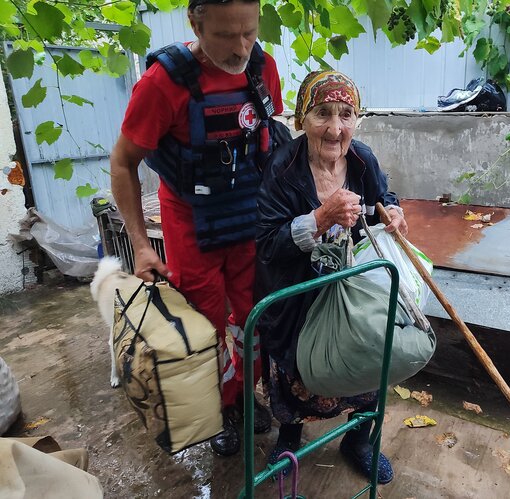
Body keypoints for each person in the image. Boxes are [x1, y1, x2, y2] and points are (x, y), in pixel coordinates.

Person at [109, 0, 282, 457]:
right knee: (203, 323)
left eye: (249, 32)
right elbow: (123, 162)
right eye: (226, 35)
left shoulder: (263, 68)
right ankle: (217, 407)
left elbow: (271, 140)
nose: (240, 47)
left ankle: (244, 395)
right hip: (192, 221)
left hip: (250, 215)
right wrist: (142, 246)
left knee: (254, 316)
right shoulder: (163, 83)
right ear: (195, 22)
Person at [255, 70, 408, 484]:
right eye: (322, 113)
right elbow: (268, 243)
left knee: (371, 355)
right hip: (297, 298)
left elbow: (384, 198)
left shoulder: (362, 159)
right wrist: (319, 220)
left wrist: (392, 212)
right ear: (301, 119)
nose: (335, 128)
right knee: (296, 378)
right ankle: (289, 441)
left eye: (346, 114)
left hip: (353, 289)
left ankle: (358, 440)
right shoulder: (283, 169)